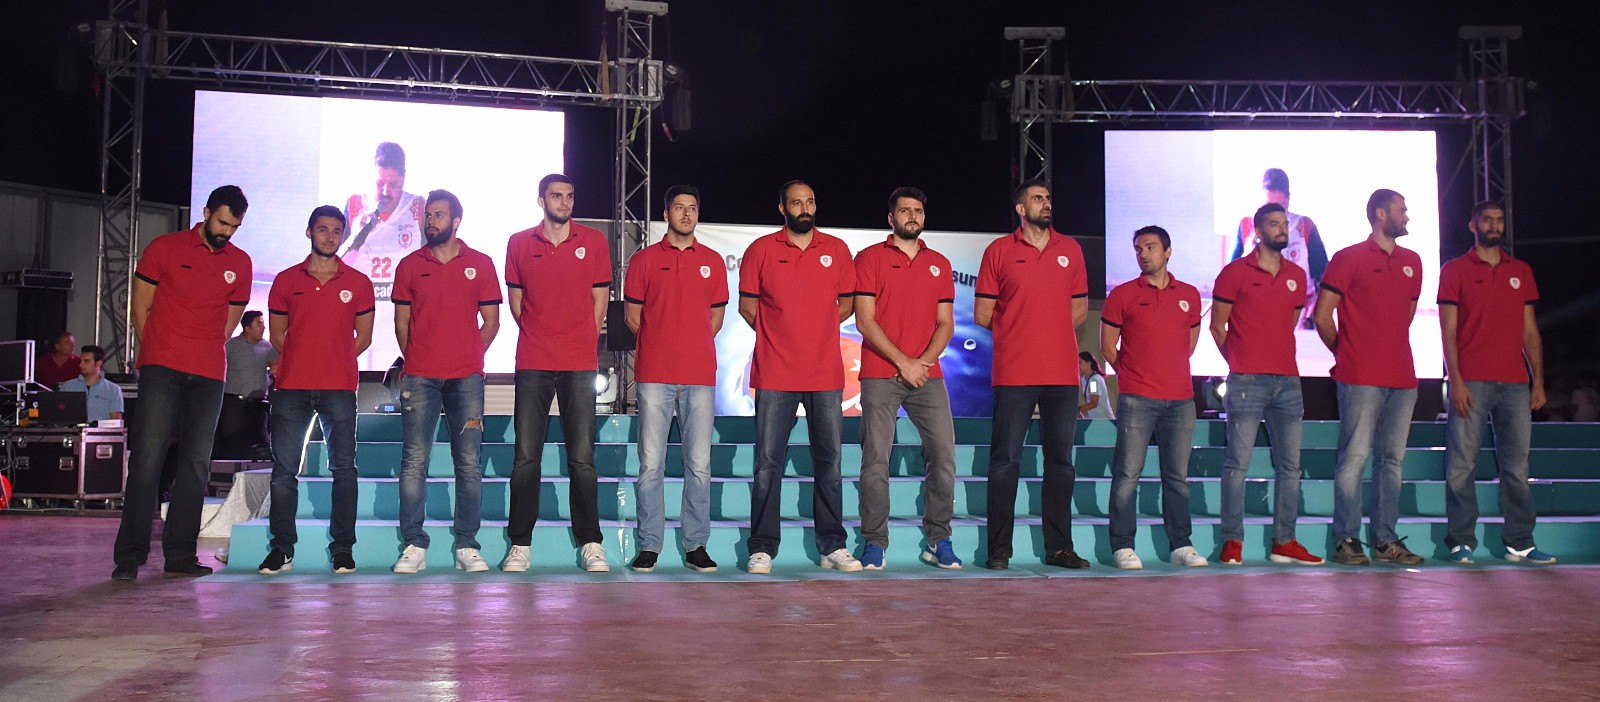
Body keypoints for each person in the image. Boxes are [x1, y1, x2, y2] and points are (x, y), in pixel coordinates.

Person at [112, 185, 253, 581]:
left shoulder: (240, 263)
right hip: (162, 367)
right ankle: (130, 555)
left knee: (194, 465)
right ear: (206, 212)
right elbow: (140, 307)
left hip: (208, 374)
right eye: (222, 222)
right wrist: (158, 349)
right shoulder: (165, 248)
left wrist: (201, 348)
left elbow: (228, 324)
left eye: (234, 226)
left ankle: (179, 554)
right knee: (147, 458)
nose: (226, 232)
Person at [739, 180, 861, 574]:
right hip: (775, 372)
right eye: (796, 203)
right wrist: (780, 335)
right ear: (783, 208)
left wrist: (815, 330)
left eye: (810, 201)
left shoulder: (836, 249)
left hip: (824, 372)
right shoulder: (761, 250)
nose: (804, 208)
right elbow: (747, 306)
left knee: (830, 462)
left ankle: (832, 545)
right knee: (767, 463)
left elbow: (847, 304)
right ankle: (762, 547)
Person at [975, 179, 1090, 570]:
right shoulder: (999, 251)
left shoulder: (1070, 249)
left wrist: (1049, 335)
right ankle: (998, 550)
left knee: (1061, 463)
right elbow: (982, 314)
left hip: (1062, 374)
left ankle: (1059, 548)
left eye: (1048, 197)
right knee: (1005, 462)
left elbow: (1079, 310)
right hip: (1015, 372)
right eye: (1037, 199)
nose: (1046, 203)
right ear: (1021, 209)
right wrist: (1021, 333)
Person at [503, 174, 613, 573]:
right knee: (526, 457)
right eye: (556, 196)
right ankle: (520, 545)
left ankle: (591, 543)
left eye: (569, 196)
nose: (564, 202)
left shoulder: (593, 241)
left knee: (582, 457)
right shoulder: (519, 243)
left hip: (579, 363)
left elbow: (600, 299)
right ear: (541, 201)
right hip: (533, 360)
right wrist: (541, 333)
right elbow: (517, 303)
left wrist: (580, 338)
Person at [257, 206, 376, 575]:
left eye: (336, 231)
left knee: (344, 470)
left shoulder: (359, 282)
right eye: (323, 229)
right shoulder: (285, 280)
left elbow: (364, 337)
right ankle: (282, 548)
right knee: (284, 472)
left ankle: (343, 549)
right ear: (309, 232)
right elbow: (278, 335)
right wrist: (303, 359)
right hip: (291, 387)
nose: (330, 236)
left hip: (339, 387)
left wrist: (333, 359)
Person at [391, 190, 501, 574]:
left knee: (468, 462)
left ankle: (467, 545)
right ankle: (413, 544)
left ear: (456, 221)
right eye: (427, 215)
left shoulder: (481, 264)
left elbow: (492, 322)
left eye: (438, 215)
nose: (430, 221)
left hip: (466, 379)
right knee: (414, 461)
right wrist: (418, 358)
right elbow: (401, 323)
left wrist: (468, 356)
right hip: (420, 378)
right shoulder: (409, 265)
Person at [1313, 189, 1425, 566]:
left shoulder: (1413, 261)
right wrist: (1345, 353)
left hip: (1403, 377)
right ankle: (1346, 539)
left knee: (1392, 461)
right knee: (1355, 458)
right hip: (1360, 376)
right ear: (1380, 213)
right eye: (1401, 209)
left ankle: (1385, 541)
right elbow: (1322, 315)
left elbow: (1406, 316)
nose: (1406, 216)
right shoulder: (1348, 258)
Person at [1439, 201, 1555, 565]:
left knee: (1517, 468)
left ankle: (1520, 541)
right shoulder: (1455, 270)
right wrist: (1456, 380)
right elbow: (1448, 332)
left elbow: (1530, 332)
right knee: (1462, 465)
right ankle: (1461, 541)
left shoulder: (1520, 270)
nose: (1494, 225)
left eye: (1499, 219)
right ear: (1473, 225)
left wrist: (1538, 381)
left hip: (1515, 383)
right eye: (1487, 219)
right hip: (1471, 381)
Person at [1210, 203, 1323, 566]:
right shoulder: (1234, 273)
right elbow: (1217, 326)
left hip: (1287, 380)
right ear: (1258, 232)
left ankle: (1284, 541)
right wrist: (1239, 362)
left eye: (1284, 223)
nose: (1282, 229)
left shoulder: (1296, 275)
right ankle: (1232, 540)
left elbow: (1290, 320)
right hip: (1246, 380)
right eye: (1274, 224)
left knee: (1290, 466)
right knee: (1237, 463)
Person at [853, 187, 960, 570]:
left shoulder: (939, 263)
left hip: (928, 376)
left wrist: (921, 363)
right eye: (904, 210)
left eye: (918, 210)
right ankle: (874, 541)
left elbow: (946, 324)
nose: (912, 215)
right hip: (881, 373)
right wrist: (903, 362)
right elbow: (865, 320)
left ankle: (938, 539)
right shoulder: (870, 258)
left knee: (944, 455)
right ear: (891, 218)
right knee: (875, 460)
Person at [623, 185, 726, 573]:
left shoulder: (712, 261)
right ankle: (649, 545)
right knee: (651, 465)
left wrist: (689, 345)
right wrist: (663, 343)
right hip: (654, 376)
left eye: (692, 208)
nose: (686, 214)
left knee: (699, 465)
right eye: (679, 208)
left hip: (699, 376)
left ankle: (696, 544)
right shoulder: (644, 260)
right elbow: (633, 317)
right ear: (666, 214)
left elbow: (715, 319)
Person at [1102, 225, 1207, 569]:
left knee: (1177, 477)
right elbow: (1108, 346)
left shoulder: (1189, 295)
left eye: (1150, 247)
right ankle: (1122, 545)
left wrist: (1167, 370)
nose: (1143, 254)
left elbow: (1189, 344)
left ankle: (1181, 544)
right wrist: (1133, 376)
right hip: (1137, 399)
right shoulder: (1123, 294)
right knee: (1127, 474)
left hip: (1181, 400)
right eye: (1138, 248)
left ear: (1167, 251)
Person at [343, 142, 425, 369]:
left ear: (404, 179)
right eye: (380, 184)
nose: (386, 192)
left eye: (394, 185)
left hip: (403, 325)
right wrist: (357, 236)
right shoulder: (355, 205)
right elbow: (333, 265)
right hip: (359, 324)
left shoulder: (418, 208)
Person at [1231, 168, 1328, 327]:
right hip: (1254, 312)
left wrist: (1313, 316)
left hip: (1297, 314)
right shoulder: (1247, 226)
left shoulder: (1304, 226)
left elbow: (1322, 274)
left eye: (1280, 206)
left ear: (1288, 201)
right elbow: (1230, 273)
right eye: (1268, 206)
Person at [217, 310, 278, 458]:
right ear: (247, 328)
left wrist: (269, 379)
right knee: (234, 443)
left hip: (258, 405)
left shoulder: (267, 347)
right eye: (259, 324)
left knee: (259, 444)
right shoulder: (231, 346)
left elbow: (277, 365)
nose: (263, 328)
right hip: (234, 404)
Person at [59, 344, 124, 422]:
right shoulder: (68, 386)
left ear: (98, 363)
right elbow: (59, 416)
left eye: (86, 361)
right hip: (73, 429)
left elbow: (116, 422)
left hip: (101, 430)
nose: (81, 364)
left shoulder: (113, 389)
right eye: (80, 361)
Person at [1078, 352, 1114, 420]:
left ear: (1089, 363)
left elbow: (1094, 403)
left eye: (1080, 362)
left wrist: (1078, 409)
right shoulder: (1083, 379)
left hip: (1104, 420)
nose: (1078, 365)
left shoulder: (1094, 380)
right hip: (1094, 419)